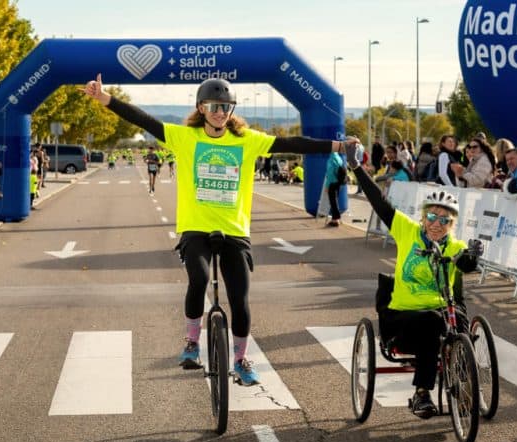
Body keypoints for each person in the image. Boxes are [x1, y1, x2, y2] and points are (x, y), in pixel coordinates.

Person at [82, 74, 355, 386]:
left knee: (240, 298)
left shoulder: (246, 140)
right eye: (213, 106)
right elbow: (144, 120)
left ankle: (240, 359)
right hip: (195, 228)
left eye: (225, 106)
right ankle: (190, 342)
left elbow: (291, 143)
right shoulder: (184, 137)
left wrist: (338, 145)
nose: (219, 112)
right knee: (198, 278)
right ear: (201, 107)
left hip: (234, 230)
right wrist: (105, 98)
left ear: (231, 109)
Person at [345, 143, 483, 418]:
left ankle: (466, 384)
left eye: (444, 220)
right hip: (402, 317)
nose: (437, 223)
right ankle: (422, 393)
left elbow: (465, 264)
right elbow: (380, 203)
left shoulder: (453, 245)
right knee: (433, 320)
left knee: (457, 319)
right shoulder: (406, 231)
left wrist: (472, 258)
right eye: (432, 216)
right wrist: (357, 168)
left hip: (441, 315)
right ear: (423, 217)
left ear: (451, 224)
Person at [324, 152, 346, 227]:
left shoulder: (331, 159)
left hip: (332, 182)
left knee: (333, 202)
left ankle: (336, 219)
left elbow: (330, 174)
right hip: (338, 182)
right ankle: (335, 218)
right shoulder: (338, 157)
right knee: (335, 201)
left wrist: (327, 186)